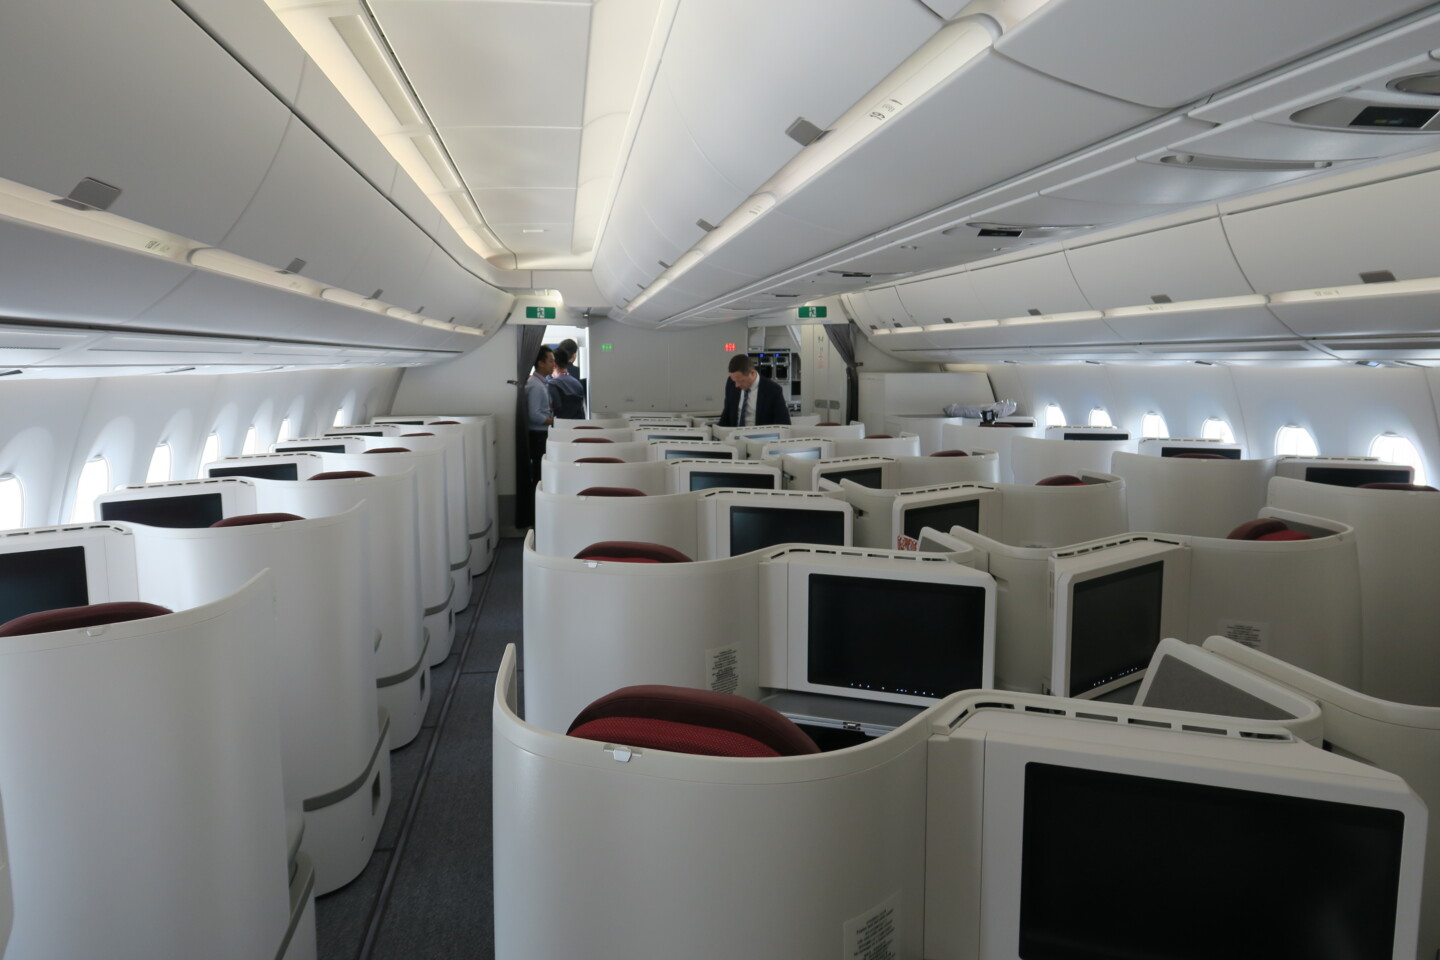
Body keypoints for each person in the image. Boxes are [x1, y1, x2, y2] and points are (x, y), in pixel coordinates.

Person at [718, 354, 790, 427]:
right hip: (735, 435)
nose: (736, 385)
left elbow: (784, 424)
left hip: (760, 436)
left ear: (752, 373)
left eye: (741, 381)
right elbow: (726, 415)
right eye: (734, 381)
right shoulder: (731, 383)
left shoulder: (773, 390)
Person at [525, 346, 556, 508]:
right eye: (550, 361)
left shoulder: (541, 383)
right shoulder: (536, 386)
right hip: (537, 435)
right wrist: (554, 421)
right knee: (539, 474)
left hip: (541, 434)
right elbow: (534, 415)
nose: (554, 364)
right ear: (540, 363)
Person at [548, 347, 586, 420]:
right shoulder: (577, 383)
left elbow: (553, 412)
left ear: (554, 364)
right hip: (576, 427)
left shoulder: (552, 384)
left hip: (560, 427)